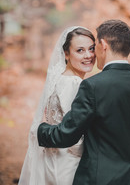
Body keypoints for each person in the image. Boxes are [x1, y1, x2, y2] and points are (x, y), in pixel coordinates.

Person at [38, 19, 130, 185]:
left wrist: (40, 130)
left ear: (103, 45)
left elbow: (69, 133)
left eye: (93, 47)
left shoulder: (92, 85)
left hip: (98, 178)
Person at [18, 26, 96, 185]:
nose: (88, 55)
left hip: (52, 159)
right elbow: (74, 131)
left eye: (91, 48)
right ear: (66, 54)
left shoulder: (59, 79)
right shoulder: (74, 83)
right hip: (68, 164)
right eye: (80, 50)